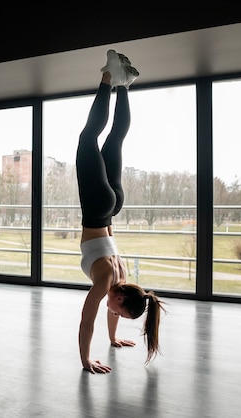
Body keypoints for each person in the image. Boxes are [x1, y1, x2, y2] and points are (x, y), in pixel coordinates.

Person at [76, 50, 166, 374]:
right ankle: (108, 78)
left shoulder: (124, 278)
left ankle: (125, 85)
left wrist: (112, 340)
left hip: (113, 207)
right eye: (122, 313)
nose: (115, 315)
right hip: (97, 208)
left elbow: (110, 313)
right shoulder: (105, 283)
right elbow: (88, 321)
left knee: (115, 139)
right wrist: (86, 359)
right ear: (120, 299)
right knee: (89, 136)